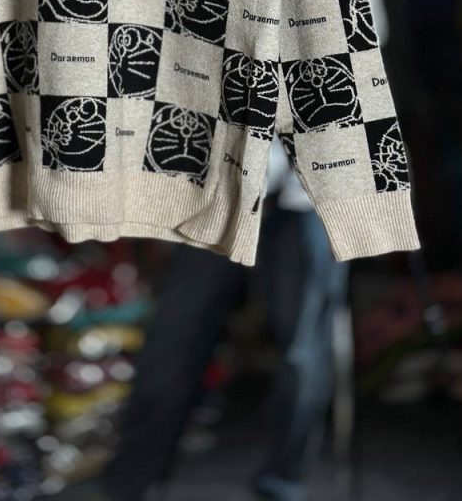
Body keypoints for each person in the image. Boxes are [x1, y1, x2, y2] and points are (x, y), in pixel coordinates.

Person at [56, 135, 350, 501]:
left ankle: (283, 483)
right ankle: (130, 479)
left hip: (312, 192)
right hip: (222, 185)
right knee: (176, 338)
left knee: (302, 355)